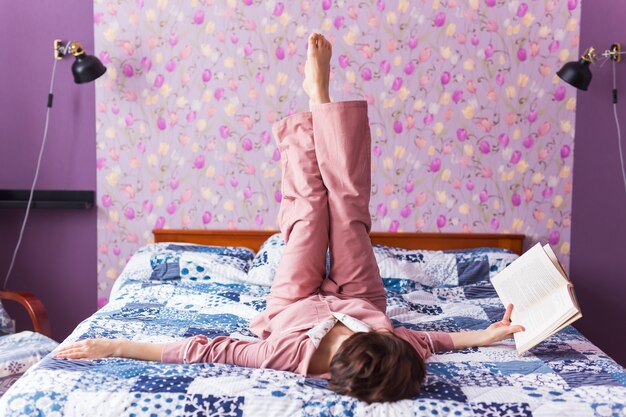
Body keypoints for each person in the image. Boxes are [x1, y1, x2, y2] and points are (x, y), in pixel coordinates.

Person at [55, 33, 524, 403]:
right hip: (362, 297)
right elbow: (431, 340)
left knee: (307, 211)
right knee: (347, 209)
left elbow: (201, 349)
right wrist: (487, 334)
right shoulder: (388, 340)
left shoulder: (281, 354)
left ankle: (310, 113)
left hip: (291, 306)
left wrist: (112, 346)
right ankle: (320, 96)